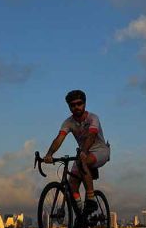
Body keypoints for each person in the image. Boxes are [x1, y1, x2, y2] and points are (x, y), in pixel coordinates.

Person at [44, 89, 111, 221]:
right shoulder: (68, 122)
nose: (76, 107)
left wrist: (84, 152)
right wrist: (49, 154)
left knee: (82, 161)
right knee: (72, 184)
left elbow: (91, 136)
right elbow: (59, 138)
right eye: (72, 105)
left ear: (84, 104)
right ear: (69, 106)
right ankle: (81, 217)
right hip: (82, 153)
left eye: (79, 103)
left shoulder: (93, 118)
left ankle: (91, 199)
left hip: (100, 151)